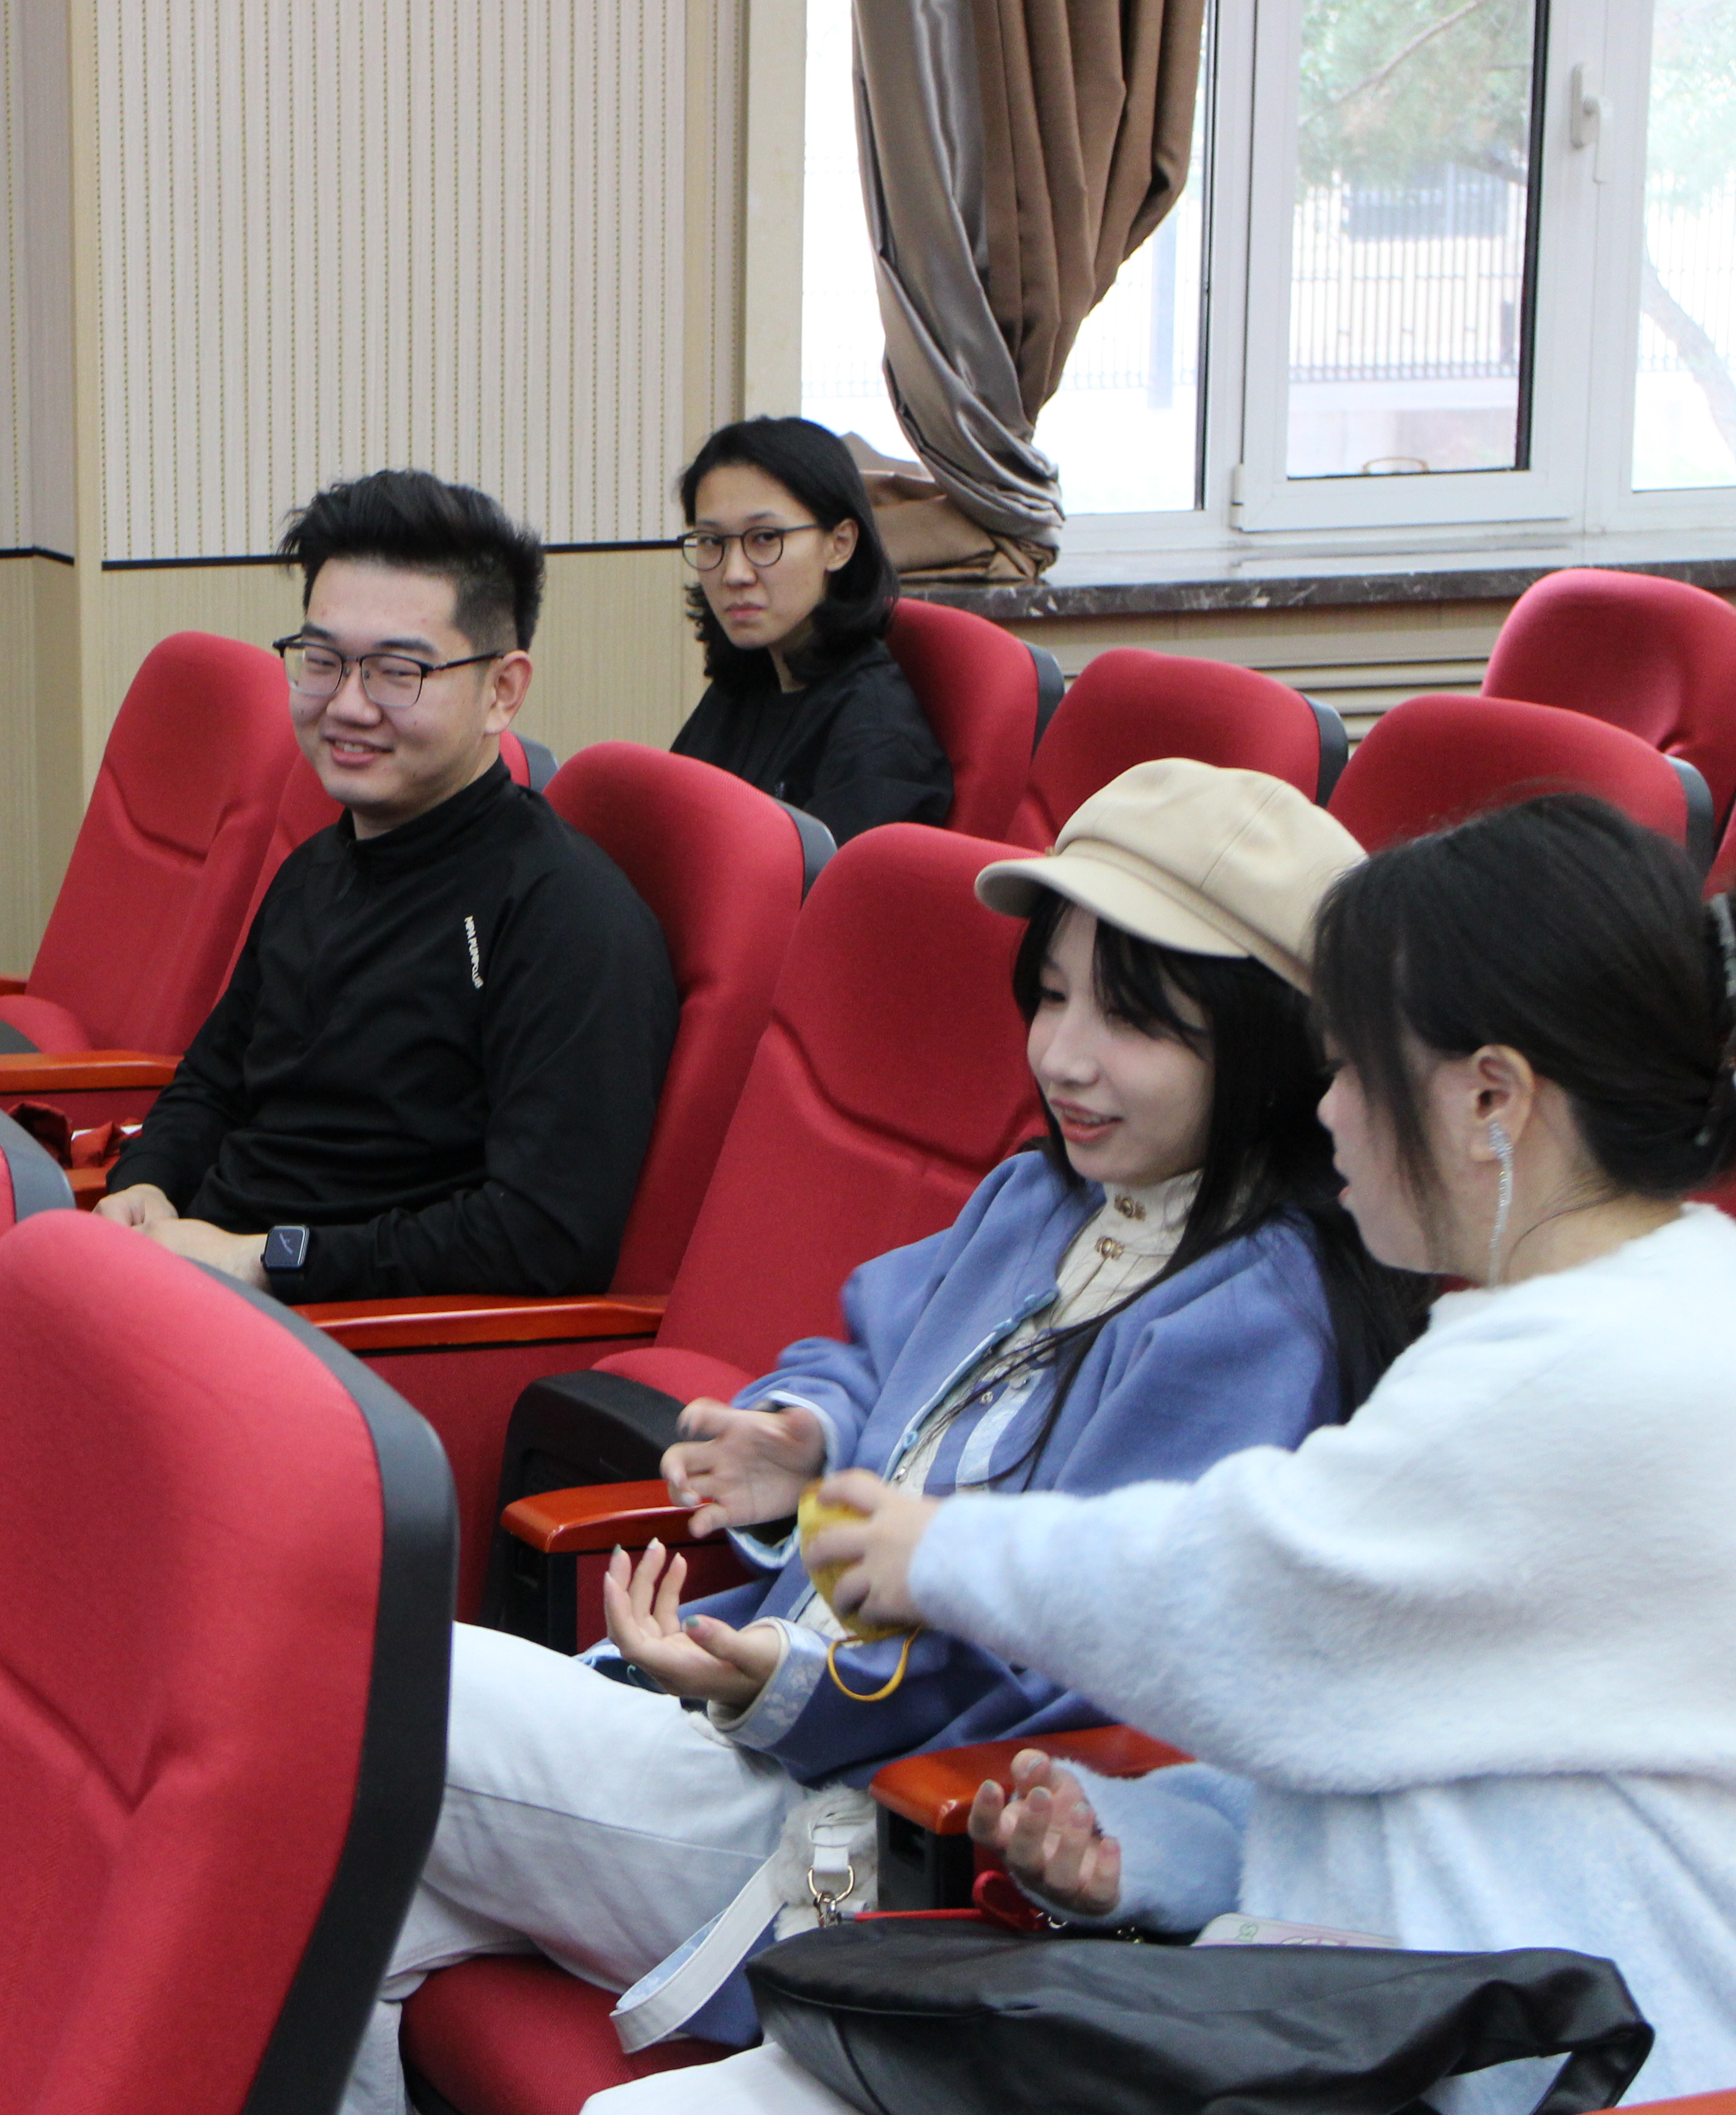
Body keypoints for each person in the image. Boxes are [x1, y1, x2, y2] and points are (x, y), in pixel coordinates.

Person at [346, 761, 1424, 2115]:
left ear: (1265, 1046)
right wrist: (801, 1436)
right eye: (1050, 996)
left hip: (879, 1832)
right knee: (322, 1901)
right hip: (757, 1739)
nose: (1063, 1056)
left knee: (357, 1688)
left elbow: (1077, 1655)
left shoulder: (1254, 1315)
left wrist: (786, 1682)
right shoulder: (1039, 1198)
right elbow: (870, 1353)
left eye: (1133, 1021)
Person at [786, 794, 1736, 2115]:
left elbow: (1249, 1596)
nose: (1326, 1111)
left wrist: (939, 1552)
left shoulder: (1577, 1370)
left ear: (1490, 1097)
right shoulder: (1647, 1305)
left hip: (1542, 2071)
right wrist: (1152, 1844)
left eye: (1349, 1069)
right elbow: (1399, 1729)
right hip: (1419, 2030)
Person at [97, 469, 678, 1301]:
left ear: (502, 691)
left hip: (345, 1335)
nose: (347, 705)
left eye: (397, 672)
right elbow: (213, 1082)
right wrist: (146, 1183)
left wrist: (264, 1259)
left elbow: (544, 1236)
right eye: (322, 661)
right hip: (199, 1282)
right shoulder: (318, 865)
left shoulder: (565, 916)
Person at [669, 417, 949, 843]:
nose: (734, 573)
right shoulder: (749, 679)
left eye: (765, 538)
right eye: (712, 541)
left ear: (840, 545)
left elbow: (827, 885)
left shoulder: (875, 736)